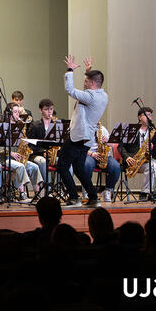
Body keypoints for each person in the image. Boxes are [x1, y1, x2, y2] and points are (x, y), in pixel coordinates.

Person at [58, 56, 108, 208]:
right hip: (87, 138)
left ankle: (74, 198)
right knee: (79, 168)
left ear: (92, 83)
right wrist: (88, 71)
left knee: (62, 166)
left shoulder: (90, 97)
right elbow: (88, 91)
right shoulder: (103, 96)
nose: (84, 84)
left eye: (86, 81)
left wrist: (70, 70)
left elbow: (69, 89)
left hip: (78, 137)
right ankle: (93, 198)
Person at [118, 107, 156, 200]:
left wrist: (152, 147)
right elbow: (120, 146)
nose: (149, 117)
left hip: (149, 160)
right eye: (146, 115)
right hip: (134, 161)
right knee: (152, 166)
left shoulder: (153, 131)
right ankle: (144, 193)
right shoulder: (132, 130)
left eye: (150, 115)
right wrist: (127, 157)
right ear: (139, 117)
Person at [3, 103, 43, 199]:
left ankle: (37, 193)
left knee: (34, 167)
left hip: (18, 157)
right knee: (21, 166)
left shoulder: (20, 127)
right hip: (6, 158)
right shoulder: (3, 127)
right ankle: (21, 193)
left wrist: (25, 143)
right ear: (9, 113)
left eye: (18, 112)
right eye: (15, 112)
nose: (18, 114)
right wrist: (10, 152)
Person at [83, 123, 121, 202]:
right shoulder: (84, 129)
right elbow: (80, 148)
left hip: (104, 155)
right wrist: (92, 154)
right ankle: (88, 191)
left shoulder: (103, 129)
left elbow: (113, 145)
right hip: (90, 154)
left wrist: (107, 141)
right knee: (87, 165)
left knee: (116, 167)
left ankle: (107, 190)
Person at [28, 98, 56, 182]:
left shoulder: (56, 125)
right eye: (46, 109)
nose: (49, 112)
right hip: (37, 155)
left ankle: (62, 189)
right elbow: (30, 145)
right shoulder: (35, 125)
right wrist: (43, 151)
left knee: (64, 161)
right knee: (42, 162)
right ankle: (47, 186)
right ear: (40, 110)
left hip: (52, 155)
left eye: (51, 109)